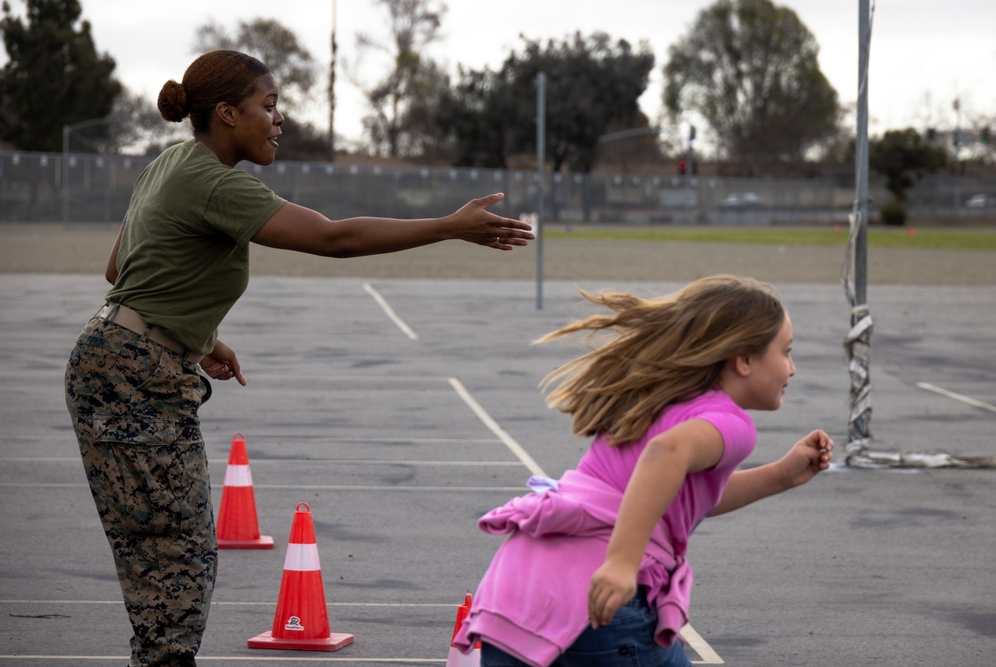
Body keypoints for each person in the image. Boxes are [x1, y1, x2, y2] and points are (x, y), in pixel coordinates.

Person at [63, 50, 533, 667]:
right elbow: (333, 238)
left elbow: (119, 269)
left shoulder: (170, 162)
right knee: (176, 556)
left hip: (110, 358)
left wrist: (196, 338)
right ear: (227, 114)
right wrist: (448, 226)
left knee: (154, 550)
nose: (279, 119)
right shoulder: (214, 180)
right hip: (133, 376)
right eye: (269, 105)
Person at [453, 275, 834, 667]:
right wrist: (622, 561)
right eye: (786, 352)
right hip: (602, 601)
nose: (792, 368)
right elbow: (665, 453)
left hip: (520, 584)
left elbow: (672, 497)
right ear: (744, 359)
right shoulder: (733, 424)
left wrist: (781, 475)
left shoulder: (656, 399)